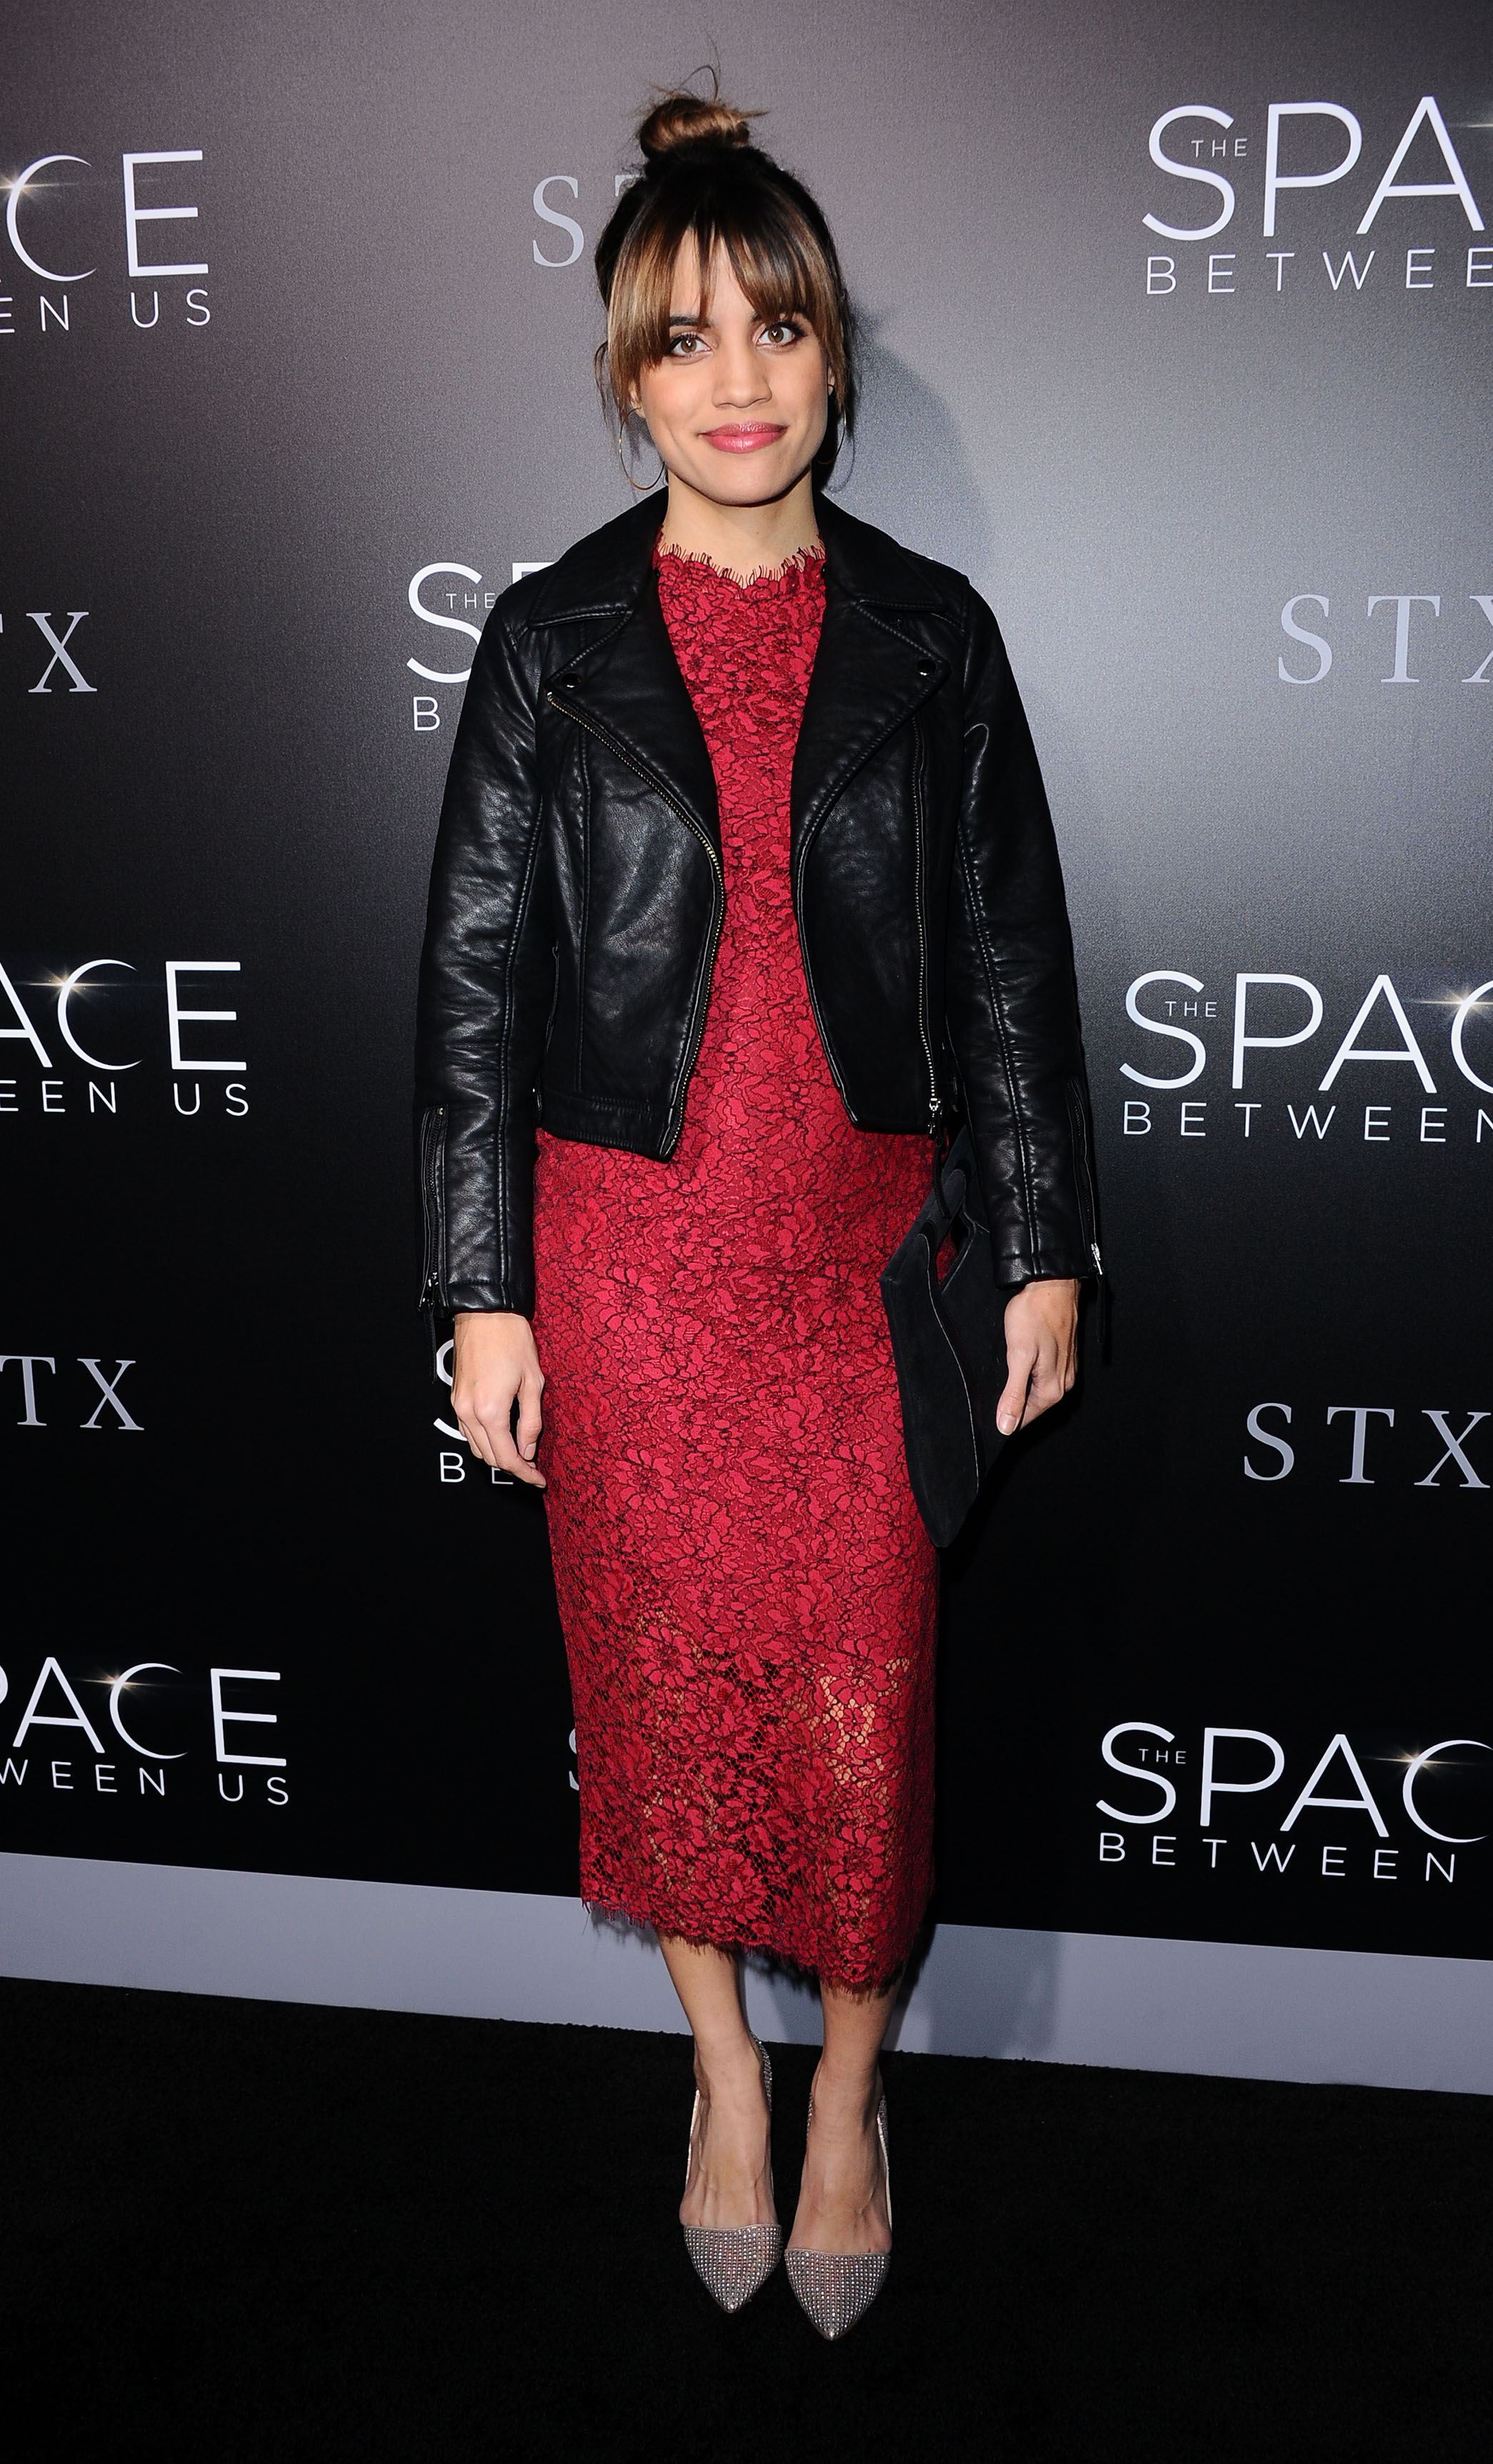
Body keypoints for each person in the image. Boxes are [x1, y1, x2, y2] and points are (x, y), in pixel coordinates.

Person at [415, 85, 1098, 2338]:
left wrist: (1042, 1238)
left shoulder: (932, 633)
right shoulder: (550, 640)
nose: (735, 380)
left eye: (776, 328)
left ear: (831, 358)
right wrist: (480, 1288)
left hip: (865, 1266)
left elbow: (1008, 962)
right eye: (684, 338)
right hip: (624, 1258)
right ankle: (722, 2067)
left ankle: (850, 2101)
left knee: (859, 1706)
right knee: (664, 1693)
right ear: (628, 378)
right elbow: (476, 984)